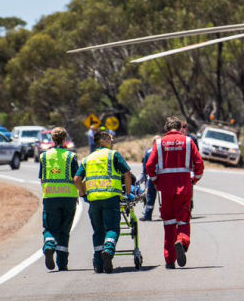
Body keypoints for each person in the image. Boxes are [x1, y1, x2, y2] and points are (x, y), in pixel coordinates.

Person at [145, 116, 204, 269]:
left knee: (169, 224)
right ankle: (182, 241)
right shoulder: (188, 141)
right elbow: (199, 164)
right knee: (183, 221)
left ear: (166, 128)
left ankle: (170, 260)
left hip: (165, 189)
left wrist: (156, 181)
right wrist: (194, 180)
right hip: (184, 186)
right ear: (179, 128)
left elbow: (150, 165)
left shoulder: (159, 143)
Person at [74, 130, 134, 274]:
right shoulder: (113, 155)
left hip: (94, 200)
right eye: (109, 138)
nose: (112, 141)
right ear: (101, 140)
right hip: (111, 198)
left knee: (98, 231)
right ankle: (108, 250)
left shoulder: (88, 158)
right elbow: (127, 174)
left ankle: (98, 263)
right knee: (112, 228)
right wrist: (127, 193)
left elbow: (76, 179)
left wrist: (83, 195)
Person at [38, 127, 79, 271]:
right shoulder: (71, 156)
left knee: (50, 227)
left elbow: (42, 179)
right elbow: (76, 178)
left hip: (50, 197)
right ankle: (62, 263)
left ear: (52, 139)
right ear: (64, 139)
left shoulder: (44, 156)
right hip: (68, 197)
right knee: (64, 230)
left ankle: (49, 245)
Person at [139, 136, 161, 221]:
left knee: (151, 196)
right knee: (151, 197)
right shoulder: (163, 150)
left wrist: (144, 174)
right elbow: (145, 166)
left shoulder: (149, 152)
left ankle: (148, 215)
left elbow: (145, 166)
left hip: (153, 177)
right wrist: (144, 175)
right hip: (158, 176)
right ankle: (148, 215)